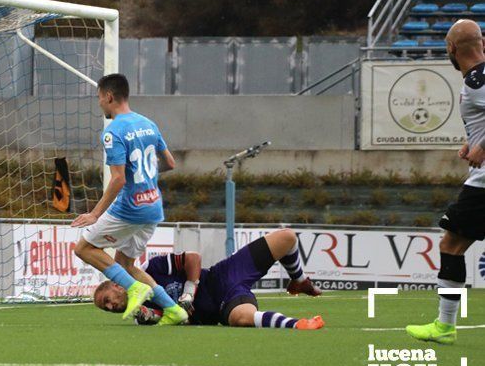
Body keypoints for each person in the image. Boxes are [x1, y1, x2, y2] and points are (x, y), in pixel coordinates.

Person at [71, 73, 189, 325]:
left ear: (109, 96)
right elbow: (169, 162)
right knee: (125, 265)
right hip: (153, 207)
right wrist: (144, 175)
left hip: (131, 208)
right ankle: (173, 310)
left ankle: (135, 289)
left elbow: (118, 180)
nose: (99, 103)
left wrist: (95, 214)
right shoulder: (149, 123)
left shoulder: (113, 132)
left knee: (83, 248)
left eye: (99, 98)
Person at [407, 19, 485, 345]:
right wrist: (473, 142)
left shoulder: (479, 80)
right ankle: (444, 326)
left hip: (483, 185)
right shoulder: (477, 79)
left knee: (450, 245)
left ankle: (445, 326)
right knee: (453, 244)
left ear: (452, 50)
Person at [93, 228, 324, 330]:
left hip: (221, 275)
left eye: (107, 301)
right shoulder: (139, 315)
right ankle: (298, 324)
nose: (111, 307)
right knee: (241, 318)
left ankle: (299, 279)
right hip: (221, 306)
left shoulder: (152, 268)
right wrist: (151, 317)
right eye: (107, 309)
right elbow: (166, 319)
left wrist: (189, 291)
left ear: (116, 284)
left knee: (287, 237)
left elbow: (193, 258)